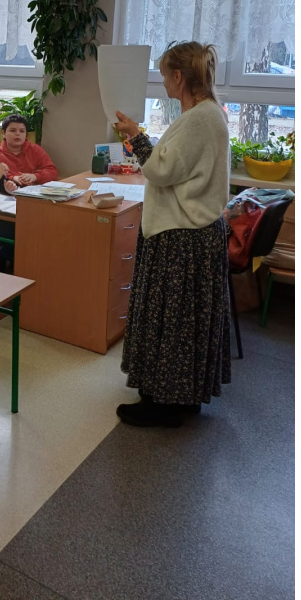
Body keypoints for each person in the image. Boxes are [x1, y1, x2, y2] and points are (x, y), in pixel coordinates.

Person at [111, 41, 231, 428]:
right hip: (194, 231)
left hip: (182, 235)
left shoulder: (199, 119)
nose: (162, 83)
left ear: (179, 76)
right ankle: (181, 397)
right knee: (184, 321)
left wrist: (135, 135)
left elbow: (162, 170)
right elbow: (177, 166)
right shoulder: (207, 114)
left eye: (165, 75)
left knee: (172, 321)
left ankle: (163, 404)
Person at [0, 114, 57, 186]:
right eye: (13, 130)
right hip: (7, 191)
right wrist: (12, 178)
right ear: (3, 133)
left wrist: (36, 176)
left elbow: (52, 171)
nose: (18, 134)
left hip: (34, 190)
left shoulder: (36, 150)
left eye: (22, 131)